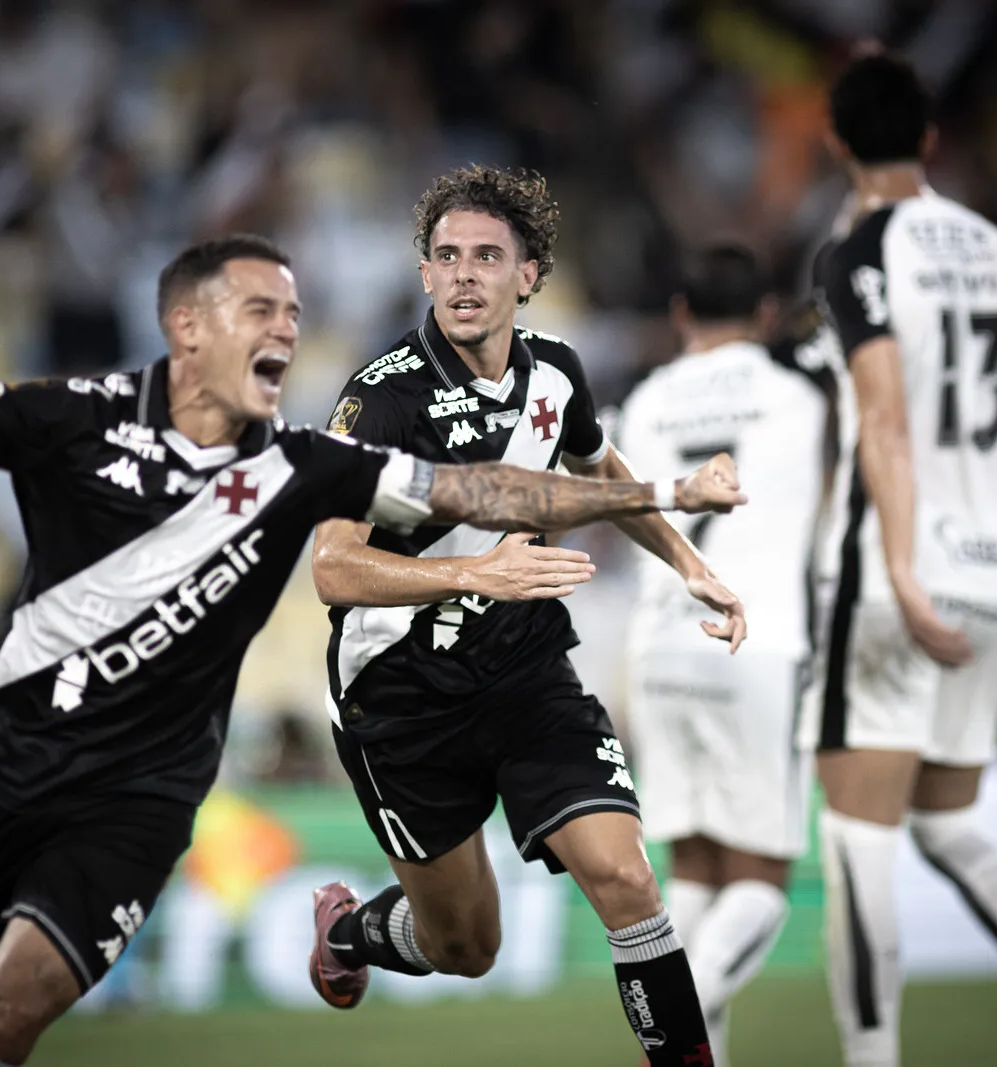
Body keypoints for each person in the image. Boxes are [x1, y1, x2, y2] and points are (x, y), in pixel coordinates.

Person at [0, 234, 746, 1067]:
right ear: (188, 329)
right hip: (6, 759)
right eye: (261, 307)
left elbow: (477, 486)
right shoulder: (74, 417)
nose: (287, 329)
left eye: (295, 311)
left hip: (142, 797)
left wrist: (653, 495)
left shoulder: (306, 462)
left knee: (5, 1018)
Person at [306, 165, 746, 1067]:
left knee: (627, 878)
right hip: (402, 693)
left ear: (529, 275)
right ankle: (351, 933)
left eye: (487, 257)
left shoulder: (557, 375)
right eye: (446, 257)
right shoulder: (379, 398)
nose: (464, 275)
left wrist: (692, 565)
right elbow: (331, 567)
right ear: (425, 275)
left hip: (528, 674)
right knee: (468, 947)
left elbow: (601, 475)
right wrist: (476, 574)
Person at [803, 53, 997, 1067]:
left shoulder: (856, 251)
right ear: (930, 139)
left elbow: (883, 424)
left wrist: (894, 566)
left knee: (856, 834)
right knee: (944, 818)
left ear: (837, 142)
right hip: (992, 566)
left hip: (900, 565)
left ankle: (872, 1055)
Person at [617, 244, 834, 1066]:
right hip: (758, 639)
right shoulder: (796, 397)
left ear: (679, 313)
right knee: (762, 889)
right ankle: (677, 1027)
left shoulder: (642, 402)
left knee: (697, 874)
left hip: (660, 646)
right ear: (768, 316)